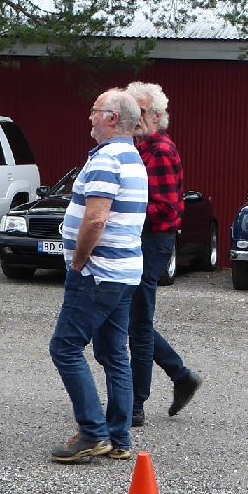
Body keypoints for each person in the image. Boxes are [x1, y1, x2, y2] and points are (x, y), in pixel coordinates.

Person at [48, 88, 147, 463]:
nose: (89, 117)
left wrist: (78, 260)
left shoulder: (108, 159)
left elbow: (96, 219)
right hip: (123, 273)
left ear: (111, 118)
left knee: (65, 347)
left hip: (98, 273)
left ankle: (92, 432)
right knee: (114, 353)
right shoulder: (132, 157)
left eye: (94, 110)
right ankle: (119, 437)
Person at [125, 81, 202, 427]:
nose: (135, 116)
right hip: (138, 239)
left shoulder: (161, 151)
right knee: (132, 321)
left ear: (156, 116)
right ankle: (180, 375)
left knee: (138, 323)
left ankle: (135, 404)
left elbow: (167, 208)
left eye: (141, 111)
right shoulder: (135, 148)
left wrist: (122, 210)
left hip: (153, 241)